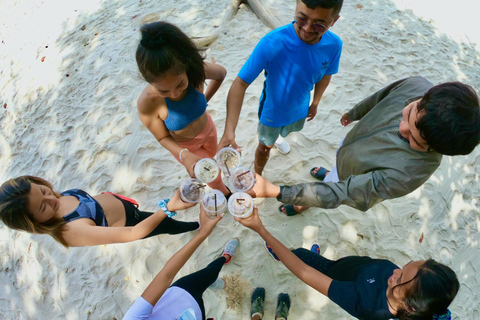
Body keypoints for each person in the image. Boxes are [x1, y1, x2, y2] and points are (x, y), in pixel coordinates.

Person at [246, 76, 480, 214]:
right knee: (337, 171)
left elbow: (344, 193)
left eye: (412, 140)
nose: (402, 129)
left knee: (337, 183)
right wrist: (356, 112)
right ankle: (332, 174)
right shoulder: (417, 85)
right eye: (407, 113)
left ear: (435, 149)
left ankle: (302, 204)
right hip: (350, 148)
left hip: (354, 177)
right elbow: (382, 95)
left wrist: (279, 191)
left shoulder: (410, 173)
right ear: (424, 97)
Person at [236, 208, 459, 320]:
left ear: (410, 306)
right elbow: (391, 272)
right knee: (322, 260)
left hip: (334, 274)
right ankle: (309, 256)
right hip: (350, 266)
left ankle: (279, 253)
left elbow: (304, 273)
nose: (395, 270)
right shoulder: (408, 286)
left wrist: (261, 230)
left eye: (399, 278)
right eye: (405, 265)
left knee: (302, 257)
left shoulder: (364, 304)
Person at [217, 0, 343, 175]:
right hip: (272, 113)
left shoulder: (334, 45)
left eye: (319, 25)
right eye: (302, 18)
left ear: (334, 21)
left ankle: (277, 139)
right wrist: (229, 131)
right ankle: (258, 175)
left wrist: (315, 102)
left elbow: (326, 75)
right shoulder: (272, 43)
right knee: (264, 148)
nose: (307, 29)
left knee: (285, 132)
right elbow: (240, 84)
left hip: (299, 110)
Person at [136, 21, 230, 196]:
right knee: (211, 175)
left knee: (212, 156)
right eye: (163, 90)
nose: (174, 94)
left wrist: (203, 100)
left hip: (208, 130)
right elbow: (163, 137)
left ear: (186, 68)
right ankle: (225, 193)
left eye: (180, 84)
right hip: (185, 147)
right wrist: (183, 154)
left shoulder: (196, 71)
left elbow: (221, 74)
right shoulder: (147, 103)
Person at [0, 175, 200, 247]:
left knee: (161, 221)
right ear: (34, 222)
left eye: (44, 190)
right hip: (133, 224)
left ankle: (189, 225)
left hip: (126, 208)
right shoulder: (70, 231)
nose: (51, 199)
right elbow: (133, 233)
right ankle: (195, 227)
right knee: (168, 224)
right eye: (43, 207)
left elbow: (85, 203)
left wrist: (109, 197)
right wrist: (168, 208)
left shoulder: (53, 199)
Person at [123, 206, 239, 320]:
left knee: (211, 272)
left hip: (183, 291)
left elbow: (166, 275)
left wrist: (203, 234)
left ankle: (225, 257)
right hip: (197, 314)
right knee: (208, 278)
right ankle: (212, 279)